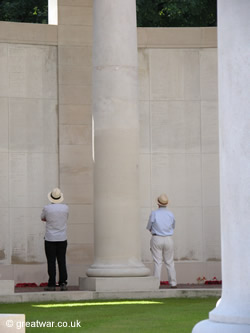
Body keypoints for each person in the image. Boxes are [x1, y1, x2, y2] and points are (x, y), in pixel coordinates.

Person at [41, 188, 69, 291]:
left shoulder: (47, 208)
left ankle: (52, 284)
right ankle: (63, 283)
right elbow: (66, 218)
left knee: (51, 261)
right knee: (62, 261)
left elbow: (43, 218)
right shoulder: (65, 208)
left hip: (50, 238)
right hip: (62, 237)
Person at [146, 193, 177, 288]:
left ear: (158, 203)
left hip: (157, 238)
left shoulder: (154, 213)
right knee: (169, 262)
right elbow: (173, 226)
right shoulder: (171, 214)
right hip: (168, 238)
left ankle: (156, 283)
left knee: (157, 262)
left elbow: (149, 226)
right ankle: (173, 282)